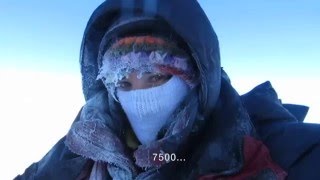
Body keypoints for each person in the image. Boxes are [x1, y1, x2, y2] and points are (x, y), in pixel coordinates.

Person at [15, 0, 320, 179]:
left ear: (196, 78)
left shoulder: (278, 153)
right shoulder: (85, 144)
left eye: (156, 77)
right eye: (123, 82)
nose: (139, 97)